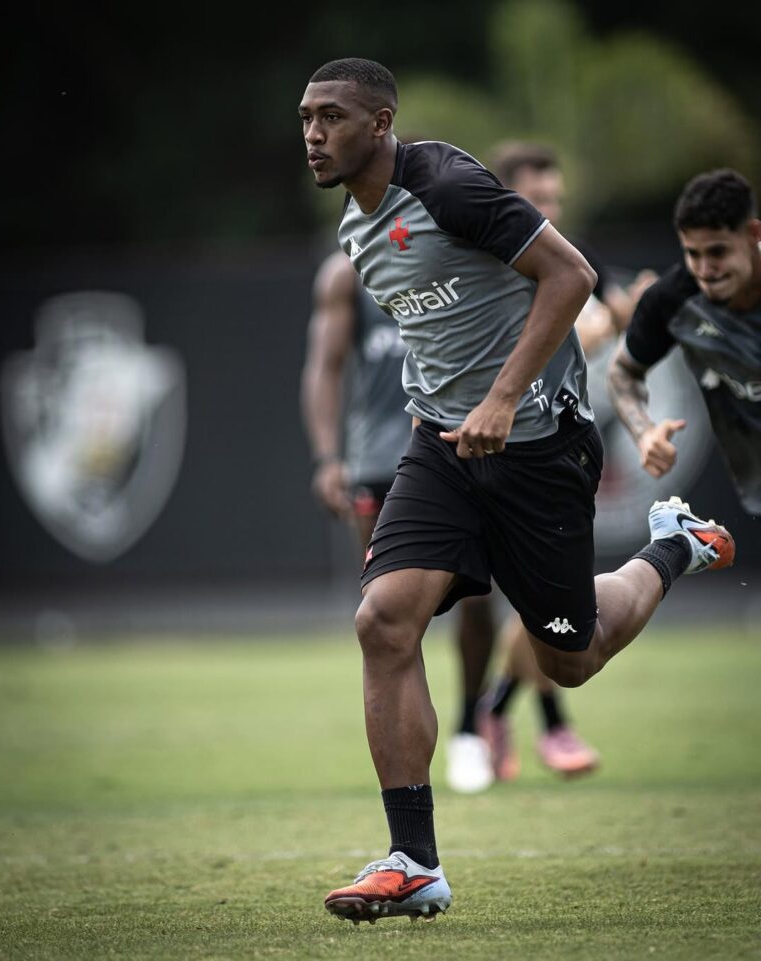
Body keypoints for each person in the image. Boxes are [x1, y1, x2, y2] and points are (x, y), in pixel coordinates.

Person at [298, 58, 735, 925]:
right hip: (443, 447)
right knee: (383, 618)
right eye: (305, 118)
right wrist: (454, 412)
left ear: (381, 123)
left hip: (539, 446)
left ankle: (671, 545)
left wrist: (502, 396)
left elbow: (568, 276)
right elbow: (444, 326)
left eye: (332, 117)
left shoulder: (447, 182)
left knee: (570, 654)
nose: (313, 134)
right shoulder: (353, 225)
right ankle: (414, 861)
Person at [476, 141, 658, 781]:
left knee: (543, 601)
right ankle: (545, 727)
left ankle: (497, 711)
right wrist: (609, 322)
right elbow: (558, 338)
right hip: (500, 450)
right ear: (504, 200)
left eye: (556, 200)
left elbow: (612, 327)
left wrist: (631, 318)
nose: (549, 212)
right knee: (544, 600)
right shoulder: (488, 262)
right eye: (537, 200)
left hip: (561, 443)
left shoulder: (571, 254)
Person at [300, 247, 495, 793]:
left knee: (477, 600)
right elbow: (325, 366)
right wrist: (326, 458)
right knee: (389, 617)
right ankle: (410, 767)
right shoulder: (346, 272)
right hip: (378, 463)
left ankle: (469, 730)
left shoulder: (460, 252)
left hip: (455, 451)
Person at [607, 167, 761, 518]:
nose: (706, 269)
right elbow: (622, 373)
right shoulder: (673, 299)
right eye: (693, 253)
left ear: (753, 234)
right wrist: (645, 433)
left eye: (718, 252)